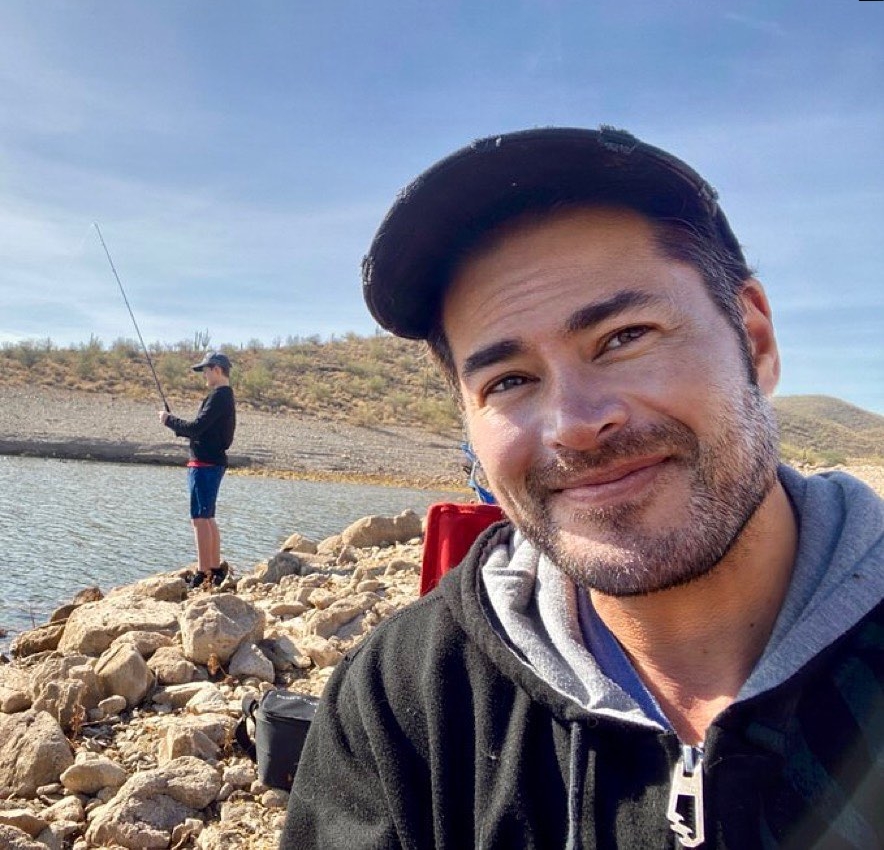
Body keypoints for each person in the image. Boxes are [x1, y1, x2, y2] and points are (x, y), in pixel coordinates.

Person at [280, 128, 884, 849]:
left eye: (625, 336)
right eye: (508, 381)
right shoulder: (400, 704)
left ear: (754, 340)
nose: (574, 425)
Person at [159, 350, 236, 590]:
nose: (204, 374)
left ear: (217, 369)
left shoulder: (219, 396)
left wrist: (168, 420)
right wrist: (181, 427)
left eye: (205, 369)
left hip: (205, 464)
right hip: (211, 462)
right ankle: (214, 570)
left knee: (200, 519)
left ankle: (203, 574)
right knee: (207, 517)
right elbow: (201, 429)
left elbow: (197, 427)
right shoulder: (224, 397)